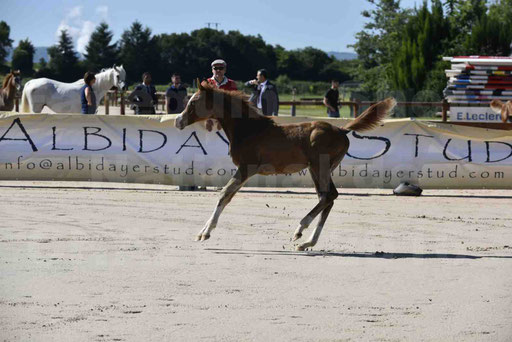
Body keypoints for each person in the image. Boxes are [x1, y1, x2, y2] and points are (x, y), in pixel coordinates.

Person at [205, 59, 237, 131]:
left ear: (225, 70)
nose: (218, 70)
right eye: (215, 68)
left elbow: (235, 103)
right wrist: (207, 118)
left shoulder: (232, 84)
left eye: (221, 68)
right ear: (212, 70)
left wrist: (225, 118)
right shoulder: (206, 83)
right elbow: (201, 102)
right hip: (210, 120)